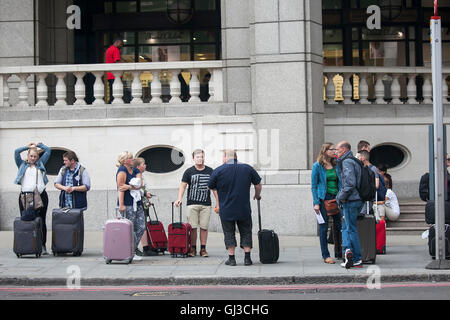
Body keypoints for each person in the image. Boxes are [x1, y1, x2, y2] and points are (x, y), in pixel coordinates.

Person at [208, 150, 262, 266]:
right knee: (246, 231)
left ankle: (231, 259)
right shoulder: (247, 168)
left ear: (225, 158)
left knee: (228, 232)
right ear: (236, 157)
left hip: (226, 208)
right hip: (243, 208)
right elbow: (258, 184)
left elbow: (211, 186)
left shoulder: (218, 170)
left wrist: (219, 201)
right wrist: (257, 195)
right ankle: (247, 258)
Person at [174, 149, 218, 257]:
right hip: (192, 204)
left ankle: (203, 249)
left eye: (202, 157)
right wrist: (179, 198)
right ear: (193, 159)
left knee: (204, 227)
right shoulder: (189, 171)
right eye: (198, 157)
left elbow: (215, 189)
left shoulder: (210, 171)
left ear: (204, 157)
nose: (200, 159)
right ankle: (192, 248)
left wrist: (218, 203)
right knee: (192, 227)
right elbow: (183, 186)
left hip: (206, 204)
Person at [14, 142, 51, 255]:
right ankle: (27, 244)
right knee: (25, 220)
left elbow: (48, 150)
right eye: (31, 156)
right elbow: (16, 152)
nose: (33, 158)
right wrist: (28, 147)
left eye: (35, 156)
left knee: (41, 220)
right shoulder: (22, 164)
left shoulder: (40, 164)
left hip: (40, 196)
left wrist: (39, 145)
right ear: (28, 156)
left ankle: (42, 245)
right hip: (25, 196)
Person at [311, 142, 342, 264]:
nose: (334, 151)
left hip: (336, 198)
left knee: (339, 226)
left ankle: (339, 252)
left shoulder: (336, 164)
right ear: (325, 151)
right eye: (331, 149)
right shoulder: (317, 166)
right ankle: (326, 255)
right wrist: (316, 203)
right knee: (324, 228)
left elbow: (339, 181)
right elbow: (314, 186)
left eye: (334, 149)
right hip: (323, 199)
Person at [336, 141, 363, 269]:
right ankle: (349, 252)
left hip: (350, 200)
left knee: (349, 228)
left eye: (338, 149)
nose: (336, 151)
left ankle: (354, 256)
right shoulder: (353, 160)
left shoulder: (347, 162)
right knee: (348, 227)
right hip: (356, 199)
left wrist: (340, 198)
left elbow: (350, 183)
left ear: (344, 149)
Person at [116, 151, 145, 261]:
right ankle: (127, 252)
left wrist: (128, 187)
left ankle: (131, 249)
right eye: (130, 158)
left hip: (137, 202)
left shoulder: (136, 170)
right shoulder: (122, 171)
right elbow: (120, 188)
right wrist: (121, 204)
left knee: (141, 227)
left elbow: (139, 184)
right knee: (129, 228)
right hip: (127, 203)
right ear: (124, 161)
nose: (133, 159)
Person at [133, 157, 157, 256]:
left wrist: (148, 200)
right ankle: (142, 247)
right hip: (139, 203)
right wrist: (146, 195)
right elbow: (140, 190)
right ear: (138, 166)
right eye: (143, 164)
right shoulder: (137, 176)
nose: (145, 165)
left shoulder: (142, 176)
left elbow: (143, 190)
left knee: (144, 225)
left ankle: (145, 246)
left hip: (144, 202)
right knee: (140, 225)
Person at [358, 150, 385, 221]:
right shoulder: (360, 168)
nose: (357, 158)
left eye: (358, 156)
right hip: (361, 196)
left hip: (368, 196)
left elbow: (376, 185)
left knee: (362, 214)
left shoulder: (373, 169)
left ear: (363, 158)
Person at [105, 38, 124, 103]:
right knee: (117, 91)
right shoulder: (116, 50)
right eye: (121, 44)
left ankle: (110, 102)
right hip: (115, 75)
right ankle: (110, 102)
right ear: (117, 42)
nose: (121, 46)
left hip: (109, 74)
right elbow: (117, 61)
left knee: (111, 90)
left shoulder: (108, 49)